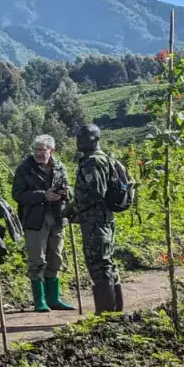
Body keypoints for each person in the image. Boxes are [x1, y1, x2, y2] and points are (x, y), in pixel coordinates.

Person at [12, 135, 76, 312]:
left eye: (43, 150)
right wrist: (43, 195)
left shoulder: (59, 167)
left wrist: (65, 193)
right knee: (37, 260)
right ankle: (39, 301)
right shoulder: (24, 169)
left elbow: (68, 188)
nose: (39, 153)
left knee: (55, 258)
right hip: (34, 219)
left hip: (57, 217)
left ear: (52, 151)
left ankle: (54, 298)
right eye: (36, 150)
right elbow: (17, 195)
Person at [64, 124, 123, 314]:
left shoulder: (93, 161)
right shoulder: (103, 159)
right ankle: (114, 311)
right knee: (107, 263)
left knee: (99, 264)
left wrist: (72, 208)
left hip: (96, 221)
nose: (78, 141)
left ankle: (106, 314)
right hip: (102, 219)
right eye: (78, 137)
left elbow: (95, 192)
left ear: (94, 139)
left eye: (83, 137)